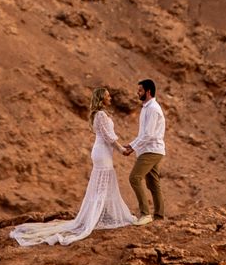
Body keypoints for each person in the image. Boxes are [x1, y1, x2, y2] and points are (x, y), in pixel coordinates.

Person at [9, 86, 138, 246]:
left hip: (102, 152)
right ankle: (94, 218)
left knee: (102, 184)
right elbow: (108, 137)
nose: (110, 98)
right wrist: (121, 149)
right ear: (101, 98)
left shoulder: (100, 114)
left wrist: (120, 148)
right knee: (102, 185)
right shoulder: (101, 115)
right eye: (107, 96)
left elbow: (107, 137)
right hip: (102, 153)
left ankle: (98, 215)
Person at [120, 77, 166, 223]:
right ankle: (159, 216)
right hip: (151, 149)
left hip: (151, 150)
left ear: (148, 91)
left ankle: (146, 214)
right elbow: (144, 134)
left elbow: (149, 134)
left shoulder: (153, 109)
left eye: (140, 90)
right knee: (153, 183)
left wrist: (132, 147)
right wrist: (132, 144)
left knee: (134, 178)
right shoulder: (147, 108)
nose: (137, 93)